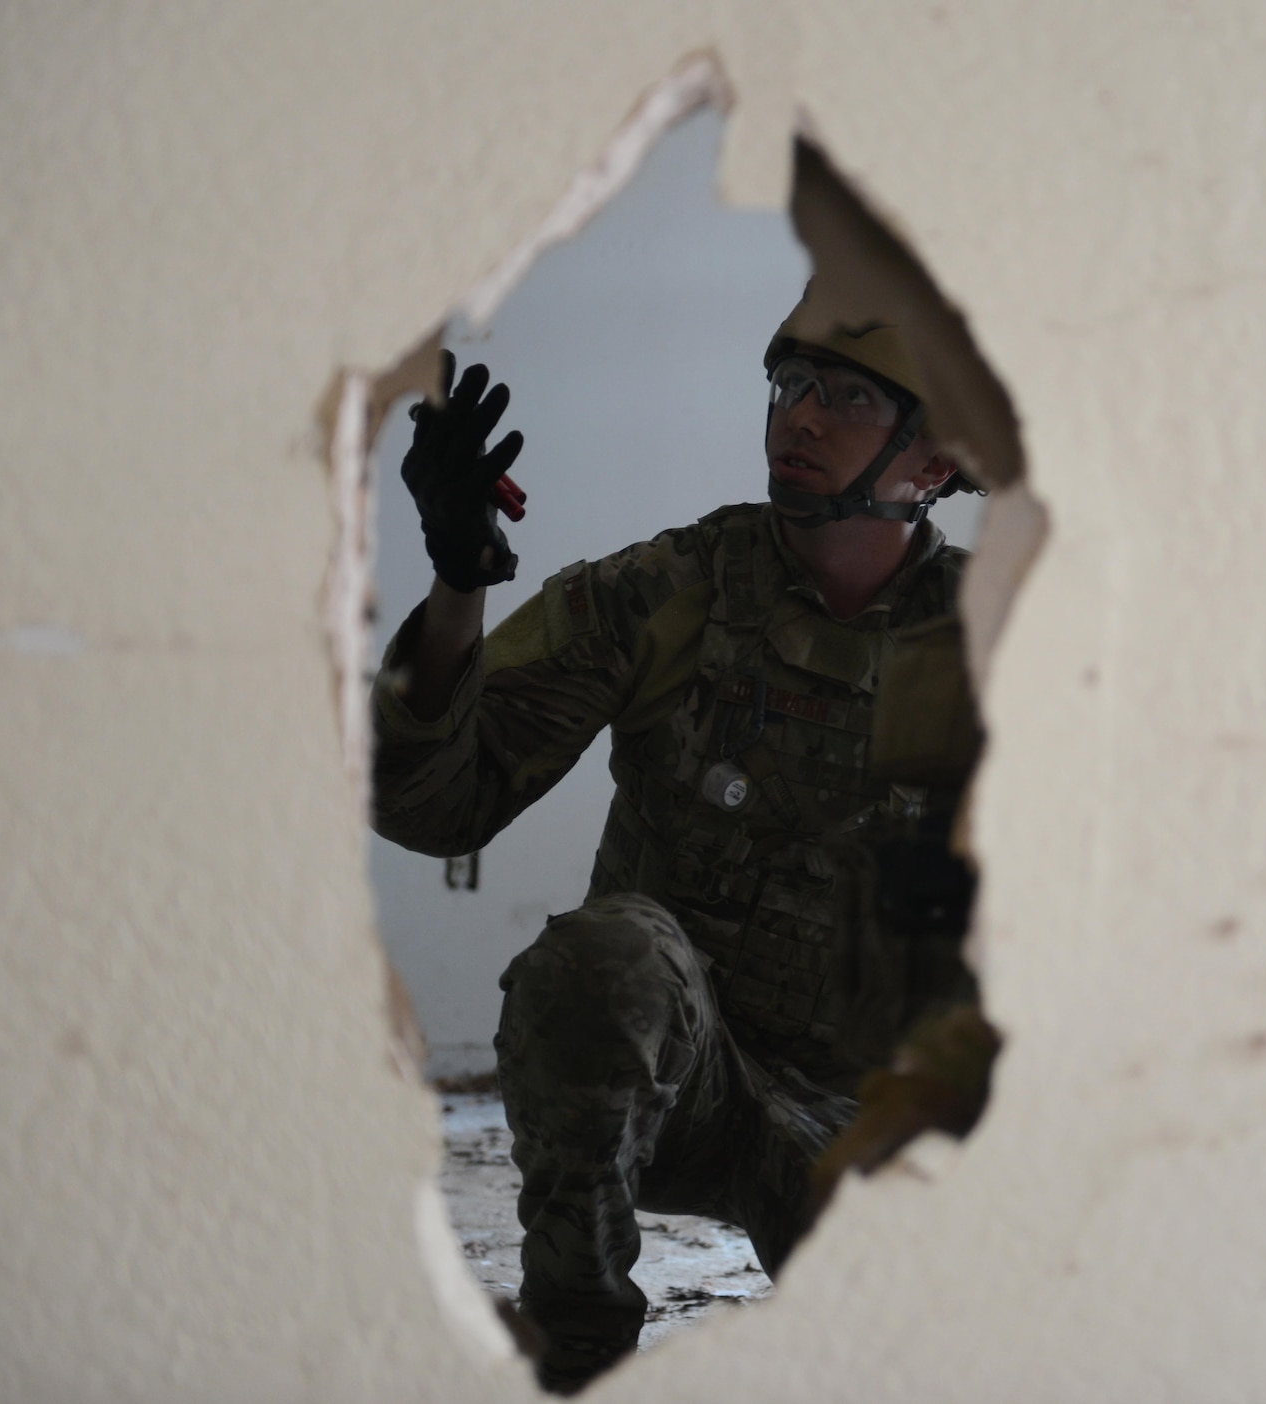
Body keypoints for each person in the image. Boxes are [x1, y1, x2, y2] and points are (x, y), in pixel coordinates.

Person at [369, 281, 974, 1392]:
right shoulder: (675, 590)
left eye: (844, 396)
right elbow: (427, 803)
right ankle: (577, 1336)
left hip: (870, 1128)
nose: (798, 416)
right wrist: (456, 583)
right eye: (789, 384)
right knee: (602, 958)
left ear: (930, 461)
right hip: (687, 1088)